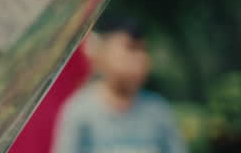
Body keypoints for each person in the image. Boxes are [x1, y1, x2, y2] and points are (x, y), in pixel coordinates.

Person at [53, 15, 186, 153]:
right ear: (100, 53)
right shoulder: (80, 112)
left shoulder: (158, 112)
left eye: (143, 50)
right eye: (131, 49)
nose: (140, 58)